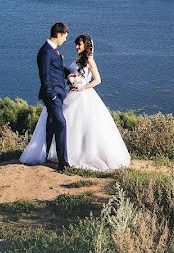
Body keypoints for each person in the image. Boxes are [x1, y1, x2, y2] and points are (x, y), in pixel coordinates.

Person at [20, 32, 131, 171]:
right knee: (67, 124)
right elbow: (71, 72)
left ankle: (77, 156)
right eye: (76, 44)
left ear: (85, 46)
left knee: (80, 126)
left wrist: (82, 86)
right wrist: (69, 76)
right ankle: (64, 154)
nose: (77, 47)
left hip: (83, 95)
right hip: (71, 93)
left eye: (79, 44)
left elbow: (98, 80)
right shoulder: (78, 58)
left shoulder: (90, 60)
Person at [22, 22, 71, 171]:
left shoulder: (53, 51)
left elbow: (57, 69)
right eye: (65, 37)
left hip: (58, 94)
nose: (65, 40)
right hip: (52, 96)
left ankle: (47, 155)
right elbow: (45, 77)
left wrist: (70, 74)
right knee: (61, 124)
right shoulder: (45, 52)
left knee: (51, 125)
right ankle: (63, 163)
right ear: (58, 35)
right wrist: (53, 96)